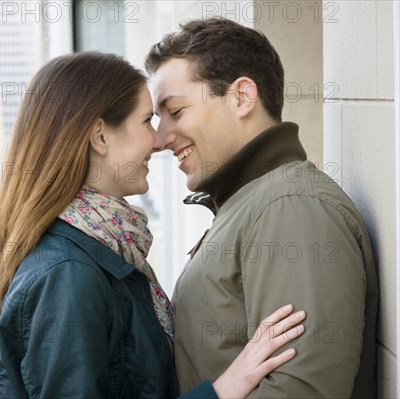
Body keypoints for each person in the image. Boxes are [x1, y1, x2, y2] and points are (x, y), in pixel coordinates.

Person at [0, 51, 306, 399]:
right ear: (99, 136)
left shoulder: (95, 249)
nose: (160, 141)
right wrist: (221, 391)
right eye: (147, 120)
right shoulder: (68, 272)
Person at [145, 18, 379, 398]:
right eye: (157, 119)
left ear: (242, 96)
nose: (160, 138)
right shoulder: (252, 202)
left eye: (176, 111)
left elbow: (300, 391)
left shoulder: (291, 208)